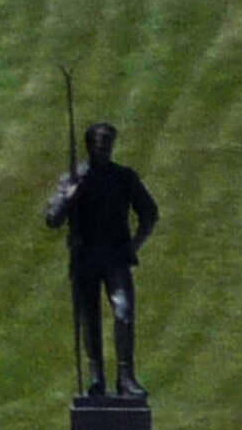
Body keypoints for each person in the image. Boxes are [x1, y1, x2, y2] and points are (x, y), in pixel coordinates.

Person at [45, 122, 159, 397]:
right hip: (85, 257)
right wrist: (68, 197)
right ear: (89, 146)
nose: (105, 150)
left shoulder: (123, 177)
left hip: (115, 257)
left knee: (124, 313)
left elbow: (149, 213)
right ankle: (96, 375)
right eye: (100, 145)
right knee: (90, 319)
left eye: (109, 144)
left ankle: (125, 375)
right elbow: (52, 219)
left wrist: (134, 245)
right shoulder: (75, 178)